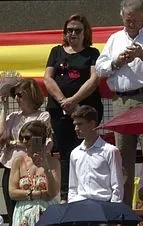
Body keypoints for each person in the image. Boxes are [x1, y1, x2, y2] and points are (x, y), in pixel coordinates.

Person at [96, 0, 143, 205]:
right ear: (122, 17)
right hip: (121, 100)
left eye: (135, 19)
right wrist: (117, 61)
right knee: (122, 156)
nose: (131, 23)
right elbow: (100, 68)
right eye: (127, 19)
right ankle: (124, 208)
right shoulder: (114, 39)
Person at [44, 14, 103, 201]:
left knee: (85, 150)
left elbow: (94, 79)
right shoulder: (56, 52)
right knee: (65, 154)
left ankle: (87, 192)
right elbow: (48, 78)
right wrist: (64, 101)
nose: (73, 33)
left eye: (77, 30)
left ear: (85, 32)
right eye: (69, 30)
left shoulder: (92, 53)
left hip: (85, 110)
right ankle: (66, 195)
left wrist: (74, 101)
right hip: (59, 111)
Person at [0, 78, 52, 215]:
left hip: (32, 168)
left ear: (31, 95)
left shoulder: (42, 116)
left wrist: (12, 142)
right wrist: (4, 109)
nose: (16, 98)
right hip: (10, 167)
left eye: (20, 95)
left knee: (32, 209)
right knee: (12, 211)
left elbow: (38, 143)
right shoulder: (13, 116)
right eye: (15, 95)